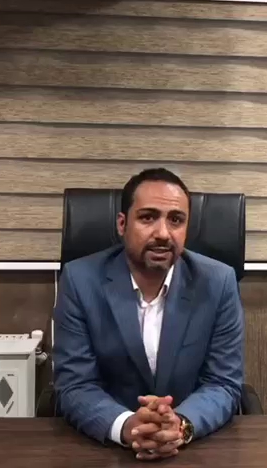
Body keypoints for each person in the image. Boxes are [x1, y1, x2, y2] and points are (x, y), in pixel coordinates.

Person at [52, 168, 245, 460]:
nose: (163, 233)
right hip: (103, 449)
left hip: (192, 450)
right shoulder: (80, 281)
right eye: (147, 217)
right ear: (122, 224)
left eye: (176, 220)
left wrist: (180, 425)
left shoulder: (218, 283)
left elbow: (223, 383)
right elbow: (75, 384)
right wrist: (126, 426)